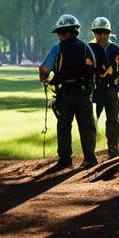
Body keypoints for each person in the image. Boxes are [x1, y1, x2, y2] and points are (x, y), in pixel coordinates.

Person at [38, 14, 98, 168]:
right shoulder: (86, 47)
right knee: (86, 126)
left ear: (65, 32)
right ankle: (90, 158)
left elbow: (44, 69)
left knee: (64, 126)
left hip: (65, 93)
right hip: (84, 93)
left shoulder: (57, 48)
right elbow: (93, 71)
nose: (59, 35)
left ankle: (65, 160)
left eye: (60, 32)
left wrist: (45, 78)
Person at [88, 17, 119, 158]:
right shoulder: (88, 49)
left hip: (111, 90)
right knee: (91, 121)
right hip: (94, 91)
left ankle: (113, 148)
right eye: (99, 32)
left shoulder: (115, 49)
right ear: (94, 33)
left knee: (113, 120)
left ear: (109, 33)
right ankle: (89, 152)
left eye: (105, 32)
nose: (102, 35)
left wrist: (118, 83)